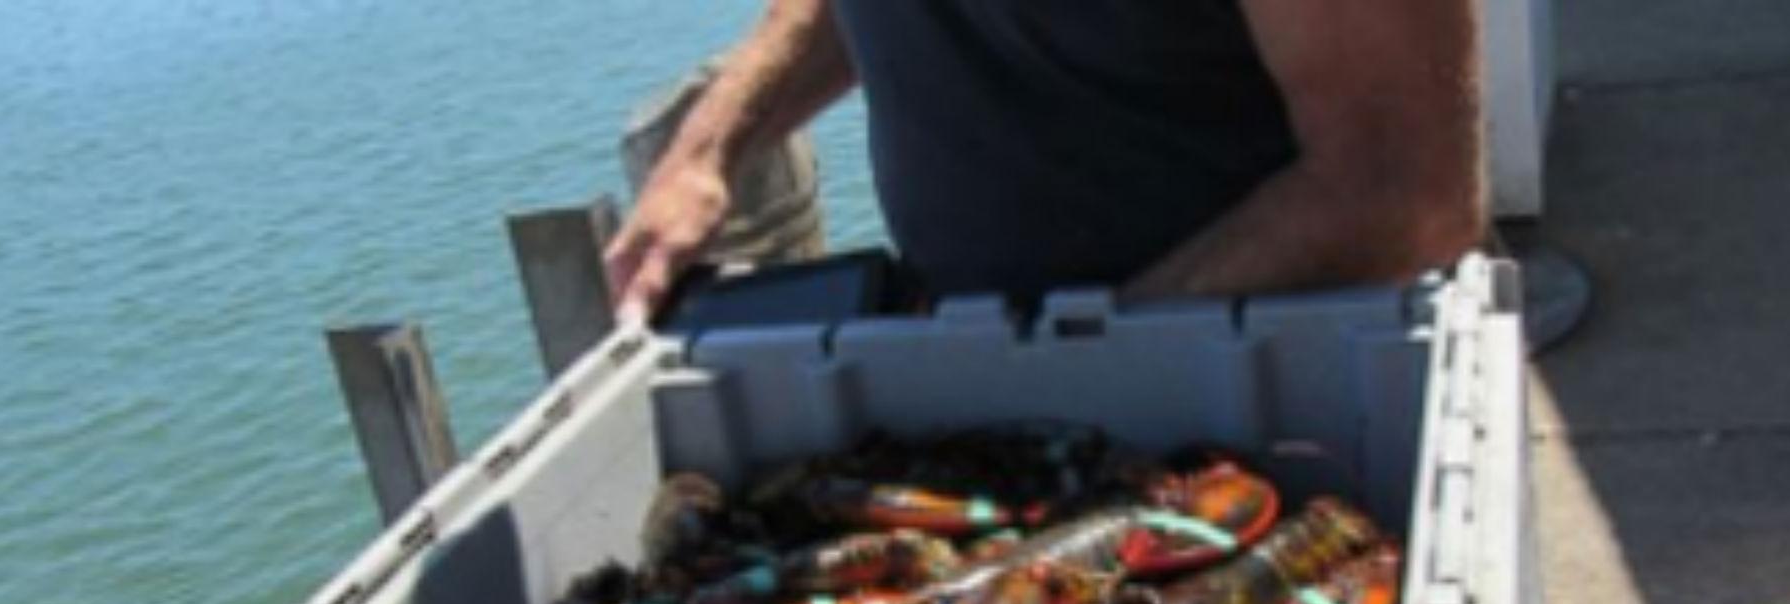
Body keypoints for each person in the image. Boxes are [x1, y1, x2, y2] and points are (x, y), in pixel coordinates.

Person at [606, 0, 1485, 321]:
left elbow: (1403, 192)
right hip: (982, 361)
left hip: (1269, 385)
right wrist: (708, 149)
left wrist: (1087, 345)